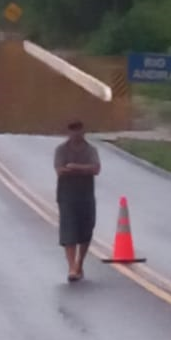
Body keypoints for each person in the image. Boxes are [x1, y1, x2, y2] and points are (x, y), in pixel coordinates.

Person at [54, 119, 101, 282]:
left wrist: (75, 167)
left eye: (79, 130)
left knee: (86, 229)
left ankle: (80, 262)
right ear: (68, 132)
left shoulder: (91, 150)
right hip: (66, 195)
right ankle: (71, 267)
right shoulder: (61, 149)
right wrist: (83, 169)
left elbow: (96, 168)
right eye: (72, 131)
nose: (76, 134)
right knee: (69, 230)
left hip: (86, 195)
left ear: (83, 131)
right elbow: (60, 170)